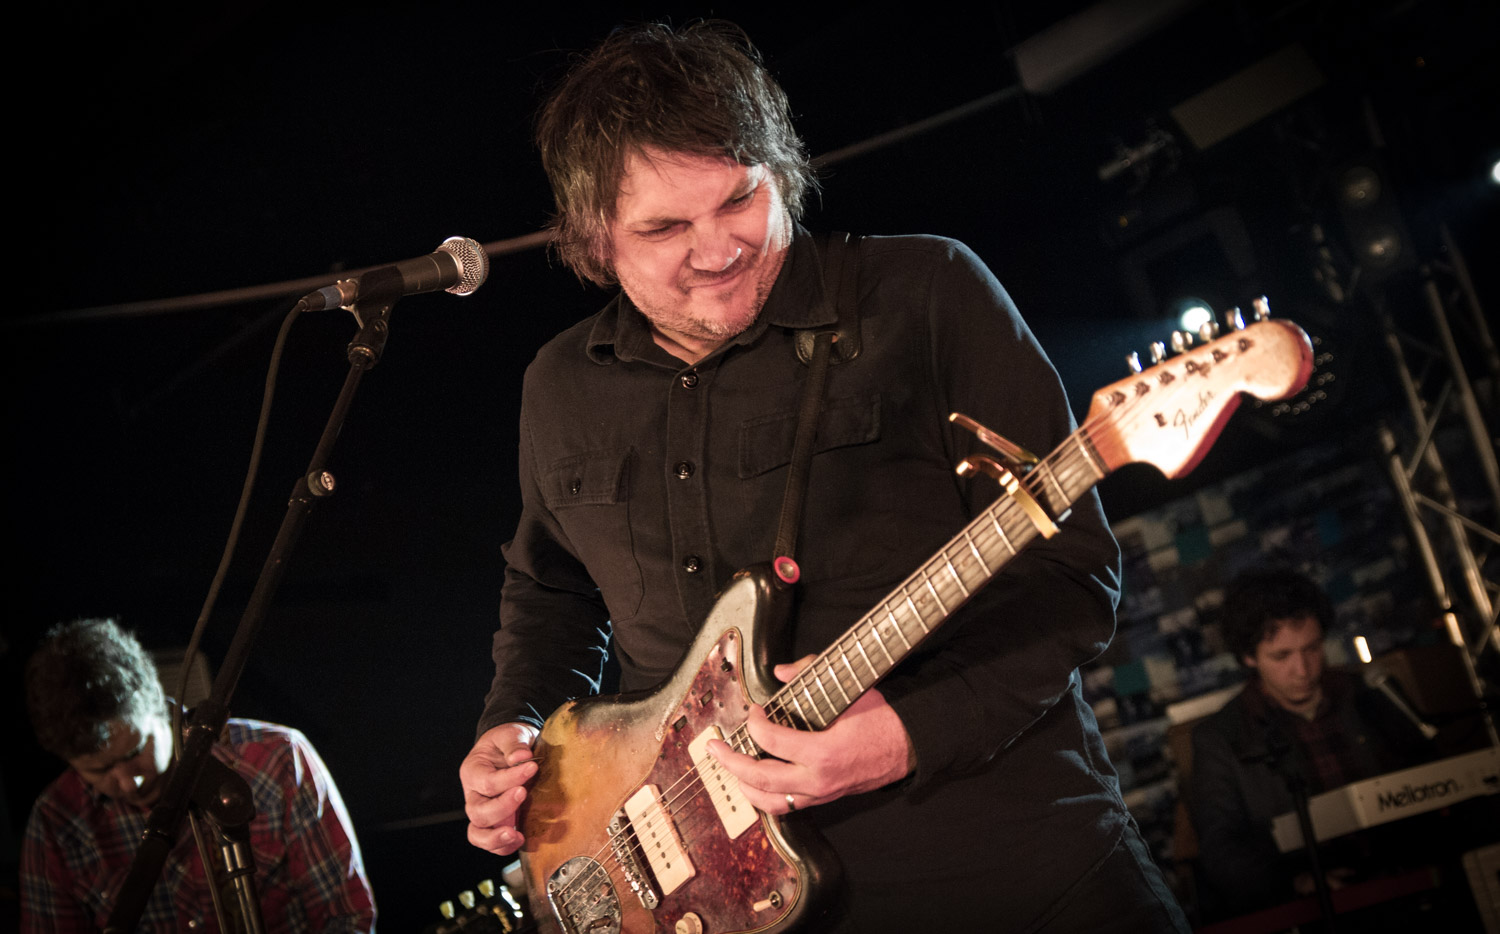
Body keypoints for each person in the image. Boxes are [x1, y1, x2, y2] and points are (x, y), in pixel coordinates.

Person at [461, 21, 1187, 932]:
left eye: (740, 199)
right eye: (665, 228)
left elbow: (1072, 575)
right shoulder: (560, 387)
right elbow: (551, 594)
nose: (717, 248)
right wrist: (517, 727)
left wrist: (907, 733)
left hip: (1018, 875)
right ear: (594, 240)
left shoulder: (926, 292)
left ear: (782, 172)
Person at [19, 618, 376, 933]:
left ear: (158, 702)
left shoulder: (277, 757)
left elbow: (347, 917)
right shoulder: (56, 819)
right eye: (99, 770)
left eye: (134, 752)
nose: (130, 781)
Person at [1189, 567, 1434, 917]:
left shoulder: (1369, 695)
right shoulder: (1221, 738)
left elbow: (1431, 782)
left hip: (1409, 885)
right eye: (1281, 656)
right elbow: (1222, 850)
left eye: (1313, 648)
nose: (1303, 670)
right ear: (1248, 657)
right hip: (1313, 909)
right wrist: (1298, 883)